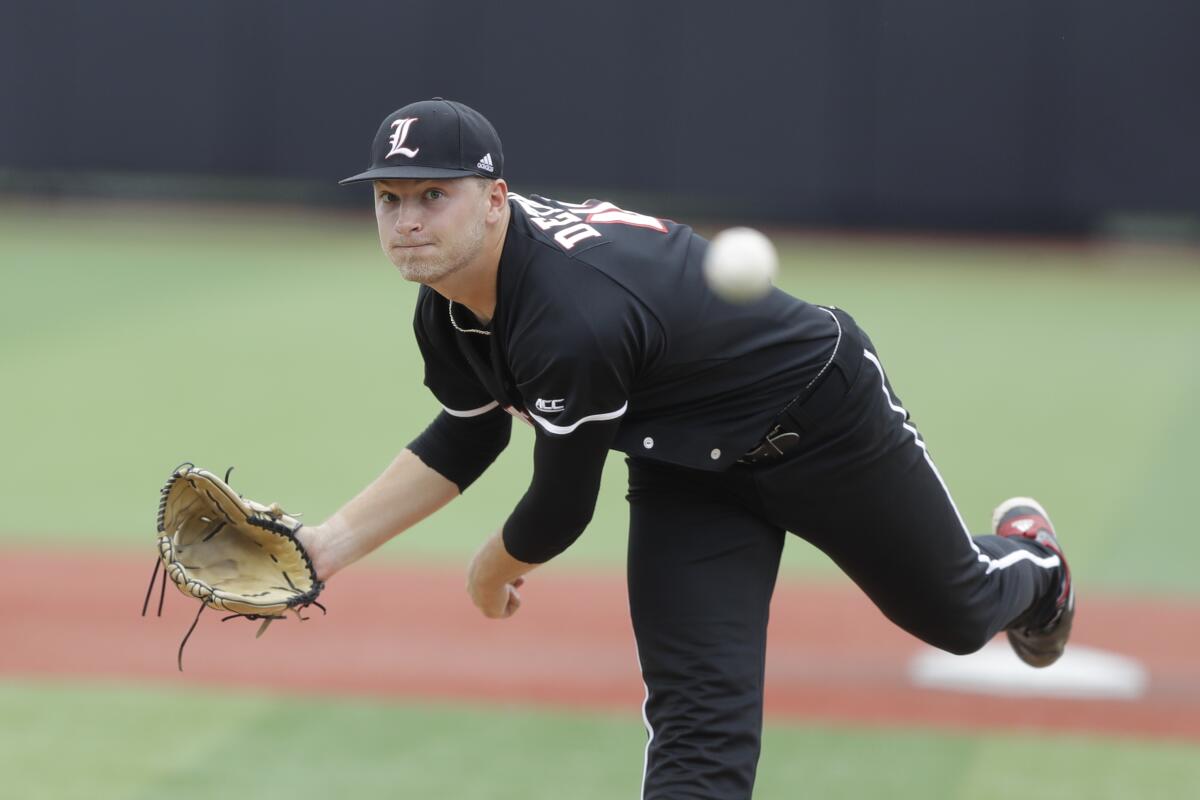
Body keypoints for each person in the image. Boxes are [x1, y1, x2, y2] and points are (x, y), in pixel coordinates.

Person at [296, 98, 1075, 799]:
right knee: (699, 729)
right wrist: (327, 545)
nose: (407, 220)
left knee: (958, 613)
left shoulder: (572, 316)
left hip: (823, 423)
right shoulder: (449, 306)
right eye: (390, 198)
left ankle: (1037, 565)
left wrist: (490, 568)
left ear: (496, 200)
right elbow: (470, 430)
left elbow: (562, 505)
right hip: (685, 467)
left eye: (436, 194)